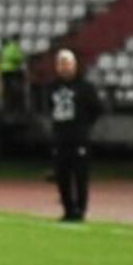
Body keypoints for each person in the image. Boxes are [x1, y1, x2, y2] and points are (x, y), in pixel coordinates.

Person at [49, 49, 102, 222]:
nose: (64, 67)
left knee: (80, 176)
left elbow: (97, 109)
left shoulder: (85, 87)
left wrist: (84, 126)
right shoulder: (53, 87)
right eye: (61, 64)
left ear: (74, 65)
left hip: (79, 138)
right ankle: (68, 208)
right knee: (62, 175)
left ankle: (80, 208)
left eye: (67, 63)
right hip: (60, 137)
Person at [0, 34, 27, 112]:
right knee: (15, 90)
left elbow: (2, 58)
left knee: (6, 90)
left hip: (4, 70)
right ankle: (16, 107)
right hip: (12, 70)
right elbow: (17, 58)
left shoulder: (5, 47)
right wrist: (23, 57)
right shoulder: (14, 47)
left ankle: (7, 107)